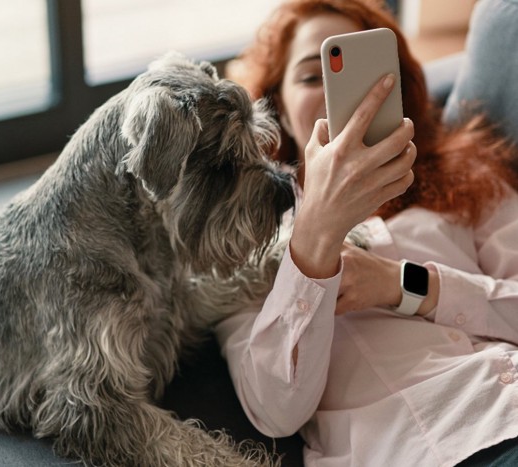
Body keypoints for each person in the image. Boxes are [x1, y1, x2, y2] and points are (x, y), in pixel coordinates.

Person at [215, 0, 518, 465]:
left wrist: (406, 285)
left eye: (353, 73)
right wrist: (316, 235)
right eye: (311, 78)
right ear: (275, 106)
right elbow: (275, 410)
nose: (336, 96)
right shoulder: (243, 240)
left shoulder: (469, 178)